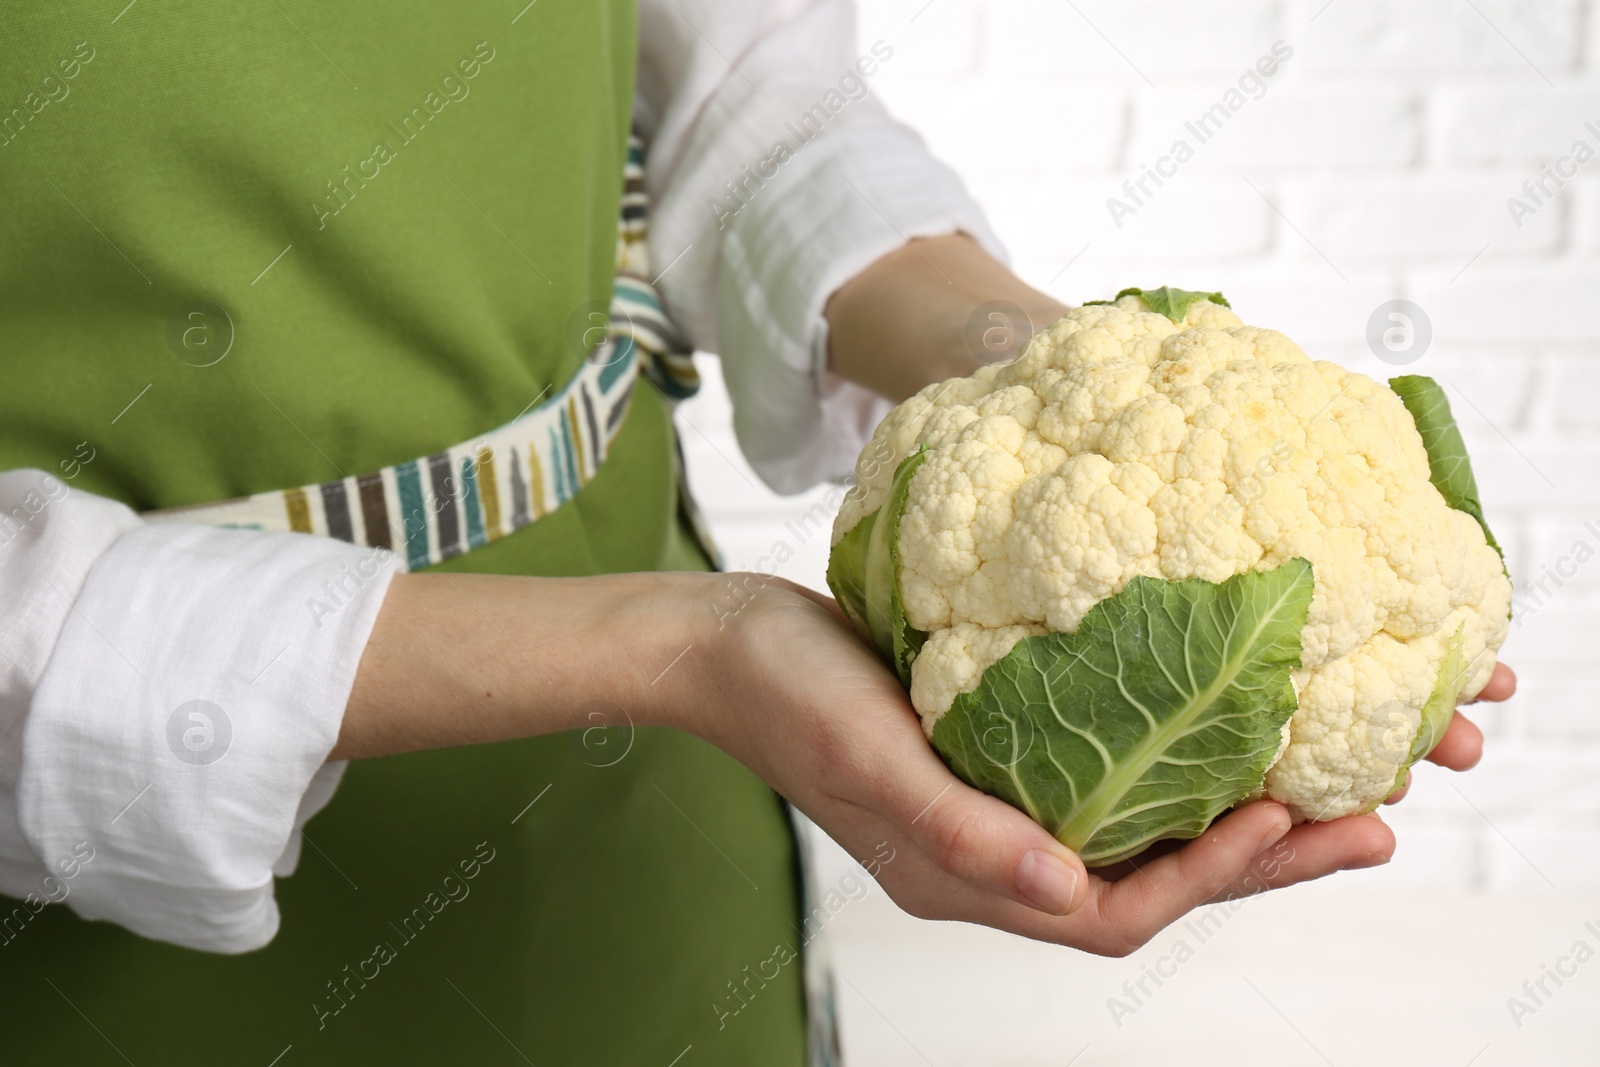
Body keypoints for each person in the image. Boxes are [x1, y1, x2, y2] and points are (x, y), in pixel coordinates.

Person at [0, 1, 1514, 1063]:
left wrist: (1032, 361)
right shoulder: (693, 652)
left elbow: (751, 87)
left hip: (627, 811)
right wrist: (693, 645)